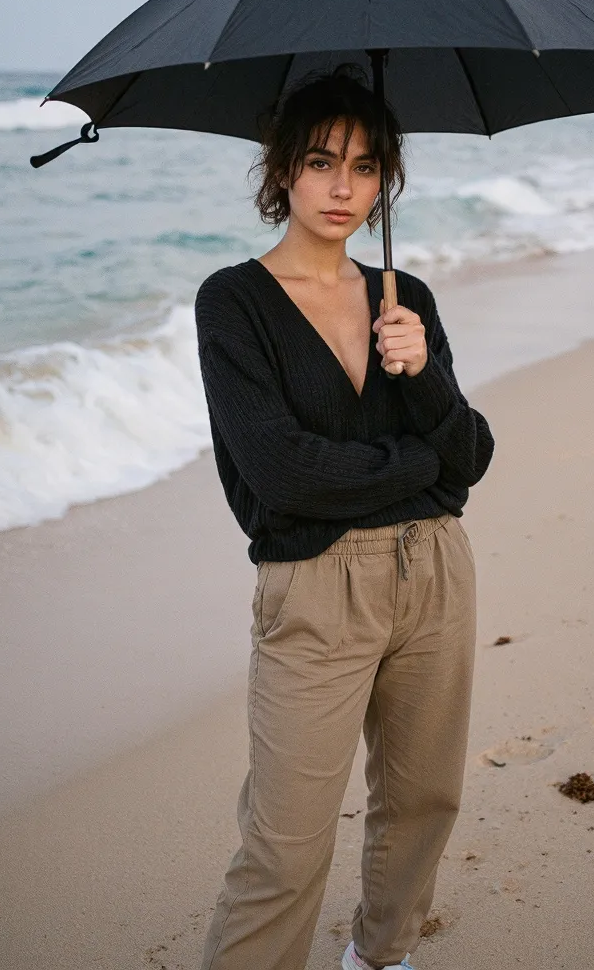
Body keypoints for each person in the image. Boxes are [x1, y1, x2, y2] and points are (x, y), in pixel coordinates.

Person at [194, 70, 494, 970]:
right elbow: (284, 476)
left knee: (425, 799)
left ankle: (382, 954)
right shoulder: (233, 302)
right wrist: (418, 470)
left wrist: (424, 373)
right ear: (282, 170)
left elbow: (471, 457)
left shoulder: (409, 302)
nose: (341, 187)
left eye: (364, 167)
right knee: (284, 844)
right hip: (316, 588)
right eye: (320, 161)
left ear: (384, 181)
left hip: (436, 571)